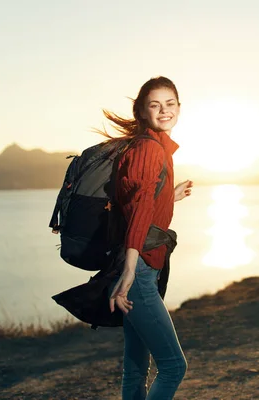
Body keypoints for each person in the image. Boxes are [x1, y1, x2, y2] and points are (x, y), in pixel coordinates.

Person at [100, 76, 192, 400]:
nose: (164, 110)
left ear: (179, 108)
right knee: (173, 367)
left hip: (142, 270)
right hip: (137, 272)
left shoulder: (152, 147)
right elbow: (139, 210)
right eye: (155, 105)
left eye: (170, 104)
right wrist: (128, 272)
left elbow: (141, 199)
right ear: (141, 110)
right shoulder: (149, 149)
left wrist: (171, 196)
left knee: (135, 367)